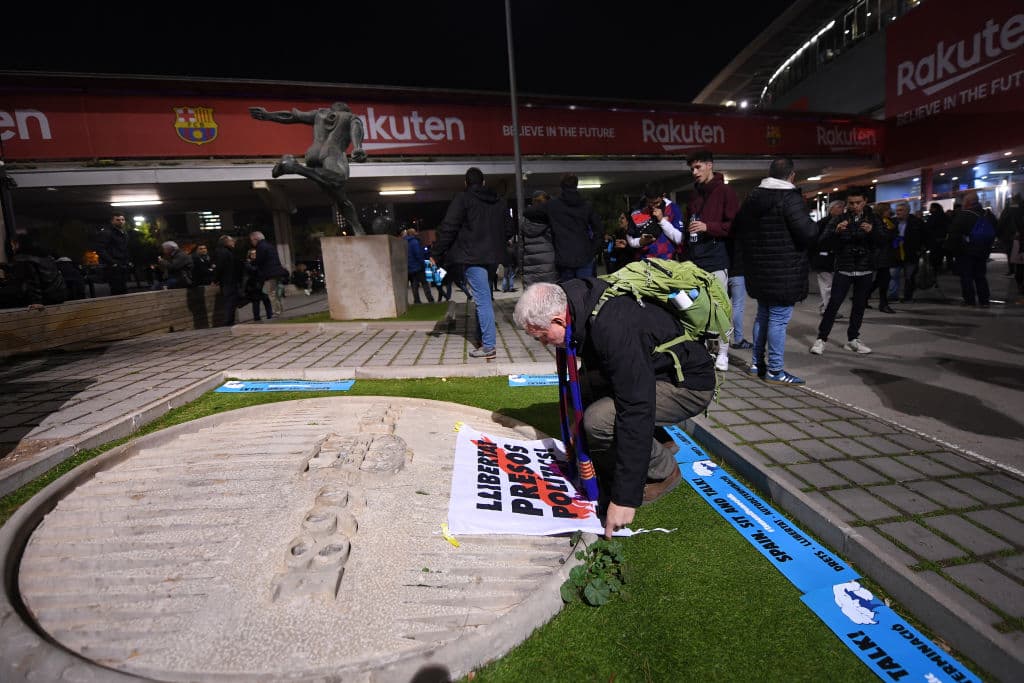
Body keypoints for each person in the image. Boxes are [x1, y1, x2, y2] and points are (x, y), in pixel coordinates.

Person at [513, 280, 715, 539]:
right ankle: (659, 440)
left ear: (558, 320)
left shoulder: (613, 326)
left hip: (688, 385)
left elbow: (637, 407)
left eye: (542, 336)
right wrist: (576, 424)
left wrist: (624, 498)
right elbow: (596, 371)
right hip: (654, 369)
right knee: (585, 399)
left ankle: (663, 471)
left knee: (598, 421)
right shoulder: (575, 301)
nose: (543, 343)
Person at [733, 157, 817, 384]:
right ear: (792, 175)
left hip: (758, 270)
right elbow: (807, 232)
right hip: (784, 271)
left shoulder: (752, 198)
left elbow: (740, 230)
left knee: (763, 315)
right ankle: (775, 371)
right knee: (778, 319)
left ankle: (756, 364)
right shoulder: (790, 198)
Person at [249, 102, 368, 234]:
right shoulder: (350, 116)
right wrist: (358, 147)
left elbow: (292, 116)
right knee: (338, 179)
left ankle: (357, 227)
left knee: (339, 197)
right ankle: (294, 167)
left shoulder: (319, 113)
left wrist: (268, 115)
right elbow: (356, 127)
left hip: (312, 154)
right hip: (332, 153)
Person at [432, 167, 513, 360]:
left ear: (465, 183)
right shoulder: (499, 201)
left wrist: (437, 252)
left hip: (472, 257)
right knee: (484, 296)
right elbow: (509, 229)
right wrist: (495, 243)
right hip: (492, 257)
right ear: (483, 182)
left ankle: (489, 346)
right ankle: (481, 338)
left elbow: (449, 227)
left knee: (483, 300)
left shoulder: (463, 199)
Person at [809, 188, 885, 356]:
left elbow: (883, 241)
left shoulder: (874, 219)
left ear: (865, 201)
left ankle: (853, 339)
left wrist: (872, 232)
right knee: (833, 304)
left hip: (865, 268)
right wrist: (836, 232)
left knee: (859, 306)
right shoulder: (839, 219)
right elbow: (822, 241)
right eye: (851, 203)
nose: (855, 206)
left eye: (858, 202)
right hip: (844, 268)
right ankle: (821, 339)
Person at [684, 150, 739, 372]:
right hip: (695, 259)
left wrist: (709, 227)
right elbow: (689, 227)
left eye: (698, 167)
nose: (694, 172)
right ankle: (705, 349)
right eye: (692, 168)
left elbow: (734, 226)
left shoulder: (726, 192)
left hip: (716, 258)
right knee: (697, 306)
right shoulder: (694, 195)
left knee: (720, 306)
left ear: (710, 165)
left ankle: (724, 352)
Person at [535, 173, 605, 281]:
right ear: (576, 185)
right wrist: (593, 251)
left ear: (562, 186)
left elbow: (530, 213)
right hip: (584, 255)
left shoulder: (552, 205)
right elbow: (599, 230)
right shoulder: (586, 205)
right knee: (586, 289)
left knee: (567, 289)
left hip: (564, 256)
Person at [945, 190, 997, 308]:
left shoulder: (963, 215)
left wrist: (952, 250)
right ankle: (984, 301)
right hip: (983, 250)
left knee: (966, 276)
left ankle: (969, 301)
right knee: (980, 276)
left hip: (966, 252)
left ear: (968, 202)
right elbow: (995, 229)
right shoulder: (987, 214)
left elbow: (954, 234)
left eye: (963, 201)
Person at [9, 232, 66, 310]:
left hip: (45, 298)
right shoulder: (45, 255)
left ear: (18, 244)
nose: (12, 249)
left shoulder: (22, 258)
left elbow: (32, 280)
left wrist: (36, 301)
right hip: (59, 295)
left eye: (12, 245)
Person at [811, 200, 846, 317]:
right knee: (828, 285)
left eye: (842, 207)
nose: (842, 210)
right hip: (823, 258)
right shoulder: (823, 223)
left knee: (830, 285)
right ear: (831, 209)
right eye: (839, 207)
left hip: (833, 258)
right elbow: (816, 241)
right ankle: (829, 310)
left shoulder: (843, 222)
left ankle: (824, 307)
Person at [521, 190, 558, 286]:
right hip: (549, 263)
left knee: (532, 292)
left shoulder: (525, 219)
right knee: (549, 292)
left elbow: (521, 246)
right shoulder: (551, 216)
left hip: (529, 263)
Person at [249, 231, 289, 316]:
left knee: (272, 293)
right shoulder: (269, 245)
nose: (252, 242)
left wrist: (251, 262)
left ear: (255, 239)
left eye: (251, 240)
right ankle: (281, 309)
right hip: (277, 272)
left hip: (270, 274)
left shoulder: (260, 247)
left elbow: (260, 260)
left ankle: (277, 311)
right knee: (277, 293)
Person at [892, 202, 925, 303]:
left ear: (907, 211)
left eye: (900, 210)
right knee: (893, 275)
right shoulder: (893, 222)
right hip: (896, 253)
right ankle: (892, 296)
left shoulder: (916, 222)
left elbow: (924, 236)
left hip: (911, 253)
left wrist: (920, 250)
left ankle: (908, 297)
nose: (898, 212)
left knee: (909, 277)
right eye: (897, 210)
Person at [869, 203, 898, 313]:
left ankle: (864, 298)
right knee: (884, 279)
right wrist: (892, 234)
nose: (890, 211)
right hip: (881, 254)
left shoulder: (887, 220)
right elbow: (882, 237)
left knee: (880, 279)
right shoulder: (878, 221)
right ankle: (883, 304)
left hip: (885, 253)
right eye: (888, 209)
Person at [94, 211, 131, 295]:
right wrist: (112, 262)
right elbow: (100, 249)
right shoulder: (106, 233)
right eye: (118, 220)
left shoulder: (124, 233)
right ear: (112, 221)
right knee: (117, 289)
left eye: (122, 219)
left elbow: (125, 248)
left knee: (123, 288)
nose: (121, 221)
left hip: (122, 264)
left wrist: (127, 261)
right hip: (113, 266)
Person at [213, 234, 242, 326]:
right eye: (231, 241)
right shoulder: (222, 252)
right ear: (225, 242)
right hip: (228, 281)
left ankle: (230, 321)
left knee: (232, 301)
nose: (234, 242)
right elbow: (220, 267)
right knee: (230, 301)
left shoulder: (228, 251)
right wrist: (215, 279)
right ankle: (228, 321)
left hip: (231, 280)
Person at [403, 226, 434, 304]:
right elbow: (418, 254)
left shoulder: (404, 242)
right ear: (413, 233)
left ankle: (417, 300)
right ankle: (430, 299)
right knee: (424, 283)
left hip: (410, 267)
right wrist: (423, 263)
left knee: (414, 285)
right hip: (418, 266)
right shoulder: (414, 242)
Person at [244, 247, 273, 321]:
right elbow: (253, 270)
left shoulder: (259, 262)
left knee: (266, 299)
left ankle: (269, 315)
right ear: (249, 255)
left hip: (262, 283)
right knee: (256, 301)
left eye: (256, 253)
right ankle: (257, 318)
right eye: (252, 254)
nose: (254, 255)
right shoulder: (248, 263)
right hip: (254, 285)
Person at [997, 193, 1023, 277]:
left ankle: (1012, 271)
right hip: (1021, 236)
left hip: (1010, 236)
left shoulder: (1008, 209)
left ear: (1013, 200)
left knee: (1011, 253)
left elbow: (1001, 222)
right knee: (1020, 253)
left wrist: (998, 234)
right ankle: (1019, 272)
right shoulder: (1021, 208)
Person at [925, 202, 951, 274]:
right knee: (940, 255)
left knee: (934, 255)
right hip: (943, 239)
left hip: (934, 240)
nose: (929, 209)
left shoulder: (933, 217)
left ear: (934, 208)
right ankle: (940, 268)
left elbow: (928, 227)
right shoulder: (944, 216)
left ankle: (935, 269)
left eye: (931, 208)